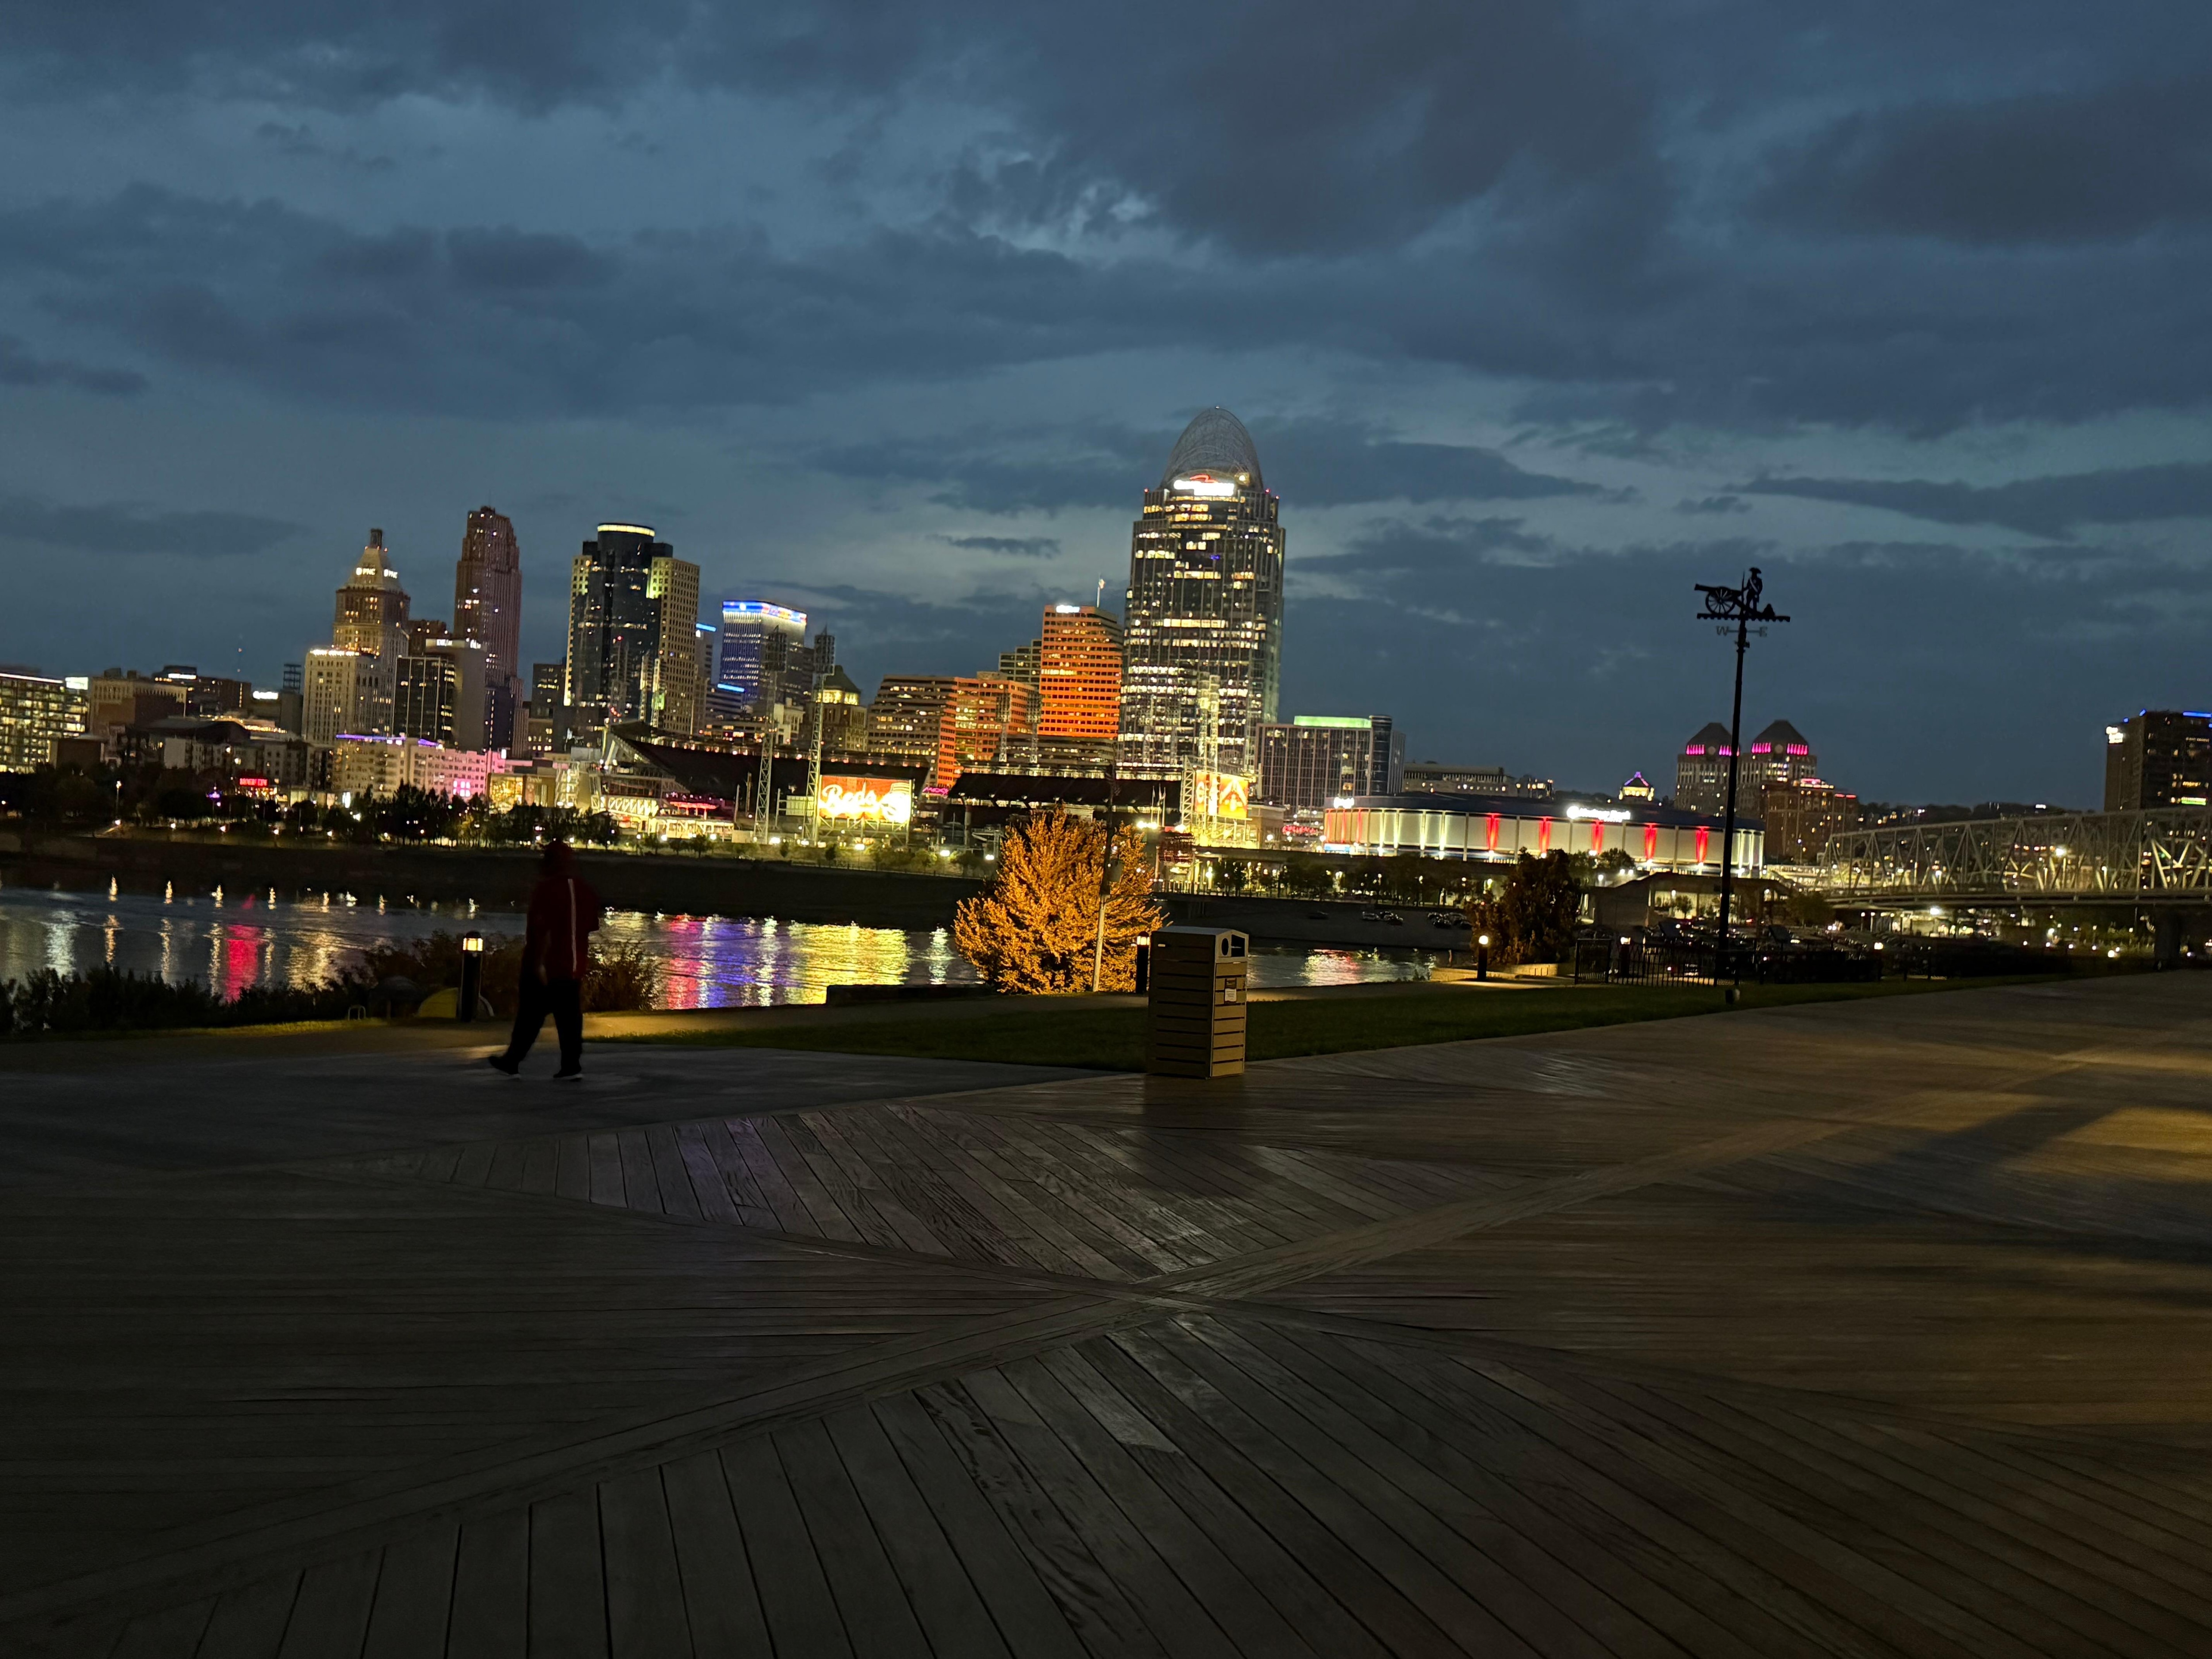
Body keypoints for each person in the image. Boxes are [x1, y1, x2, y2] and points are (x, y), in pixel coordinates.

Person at [488, 840, 602, 1080]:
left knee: (530, 1015)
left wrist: (539, 963)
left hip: (546, 966)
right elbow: (589, 927)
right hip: (573, 966)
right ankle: (570, 1065)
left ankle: (514, 1060)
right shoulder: (586, 891)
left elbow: (543, 930)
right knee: (569, 1018)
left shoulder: (547, 890)